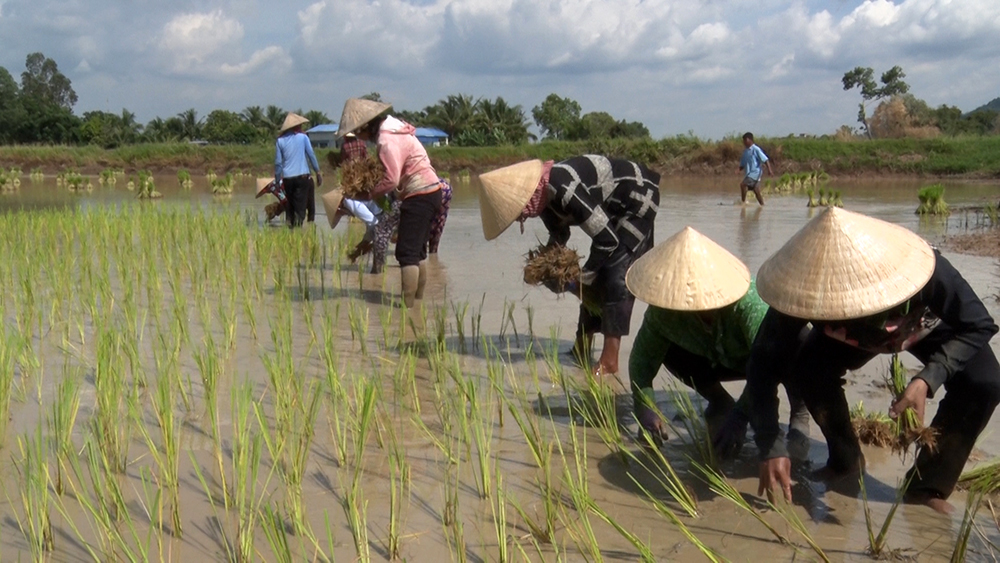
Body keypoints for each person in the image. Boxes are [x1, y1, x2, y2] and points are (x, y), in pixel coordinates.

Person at [726, 207, 1000, 514]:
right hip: (853, 336)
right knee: (810, 369)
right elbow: (763, 365)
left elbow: (979, 324)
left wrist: (929, 377)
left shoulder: (927, 271)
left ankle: (926, 486)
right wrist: (770, 444)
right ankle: (846, 461)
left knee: (985, 383)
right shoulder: (801, 294)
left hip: (925, 326)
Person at [626, 226, 810, 454]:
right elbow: (641, 363)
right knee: (668, 352)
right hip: (716, 357)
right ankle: (720, 401)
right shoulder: (664, 312)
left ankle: (800, 411)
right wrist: (645, 407)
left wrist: (740, 418)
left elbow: (768, 363)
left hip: (762, 357)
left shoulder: (748, 302)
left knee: (793, 341)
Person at [478, 155, 660, 377]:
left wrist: (582, 278)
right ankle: (581, 349)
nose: (518, 218)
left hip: (637, 198)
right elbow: (560, 233)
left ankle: (609, 359)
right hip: (612, 208)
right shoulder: (544, 200)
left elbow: (607, 239)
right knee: (592, 277)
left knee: (614, 273)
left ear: (524, 198)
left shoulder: (563, 187)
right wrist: (546, 267)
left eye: (517, 212)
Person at [335, 98, 448, 311]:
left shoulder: (386, 140)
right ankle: (417, 304)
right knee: (418, 252)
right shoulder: (395, 127)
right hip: (432, 190)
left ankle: (405, 309)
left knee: (406, 254)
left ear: (364, 127)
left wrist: (368, 194)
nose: (359, 138)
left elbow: (391, 179)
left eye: (357, 133)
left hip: (419, 193)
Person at [275, 113, 322, 227]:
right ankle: (297, 233)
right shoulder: (303, 137)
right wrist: (318, 172)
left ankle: (290, 231)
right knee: (300, 208)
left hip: (287, 179)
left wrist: (277, 180)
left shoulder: (280, 141)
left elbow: (278, 163)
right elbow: (311, 155)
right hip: (302, 177)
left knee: (290, 205)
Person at [738, 132, 772, 206]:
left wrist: (770, 170)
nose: (743, 142)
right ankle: (762, 205)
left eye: (744, 140)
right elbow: (743, 163)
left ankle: (743, 203)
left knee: (743, 185)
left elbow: (765, 159)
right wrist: (738, 170)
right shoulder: (745, 151)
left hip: (755, 173)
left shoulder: (756, 149)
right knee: (756, 190)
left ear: (749, 140)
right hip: (749, 173)